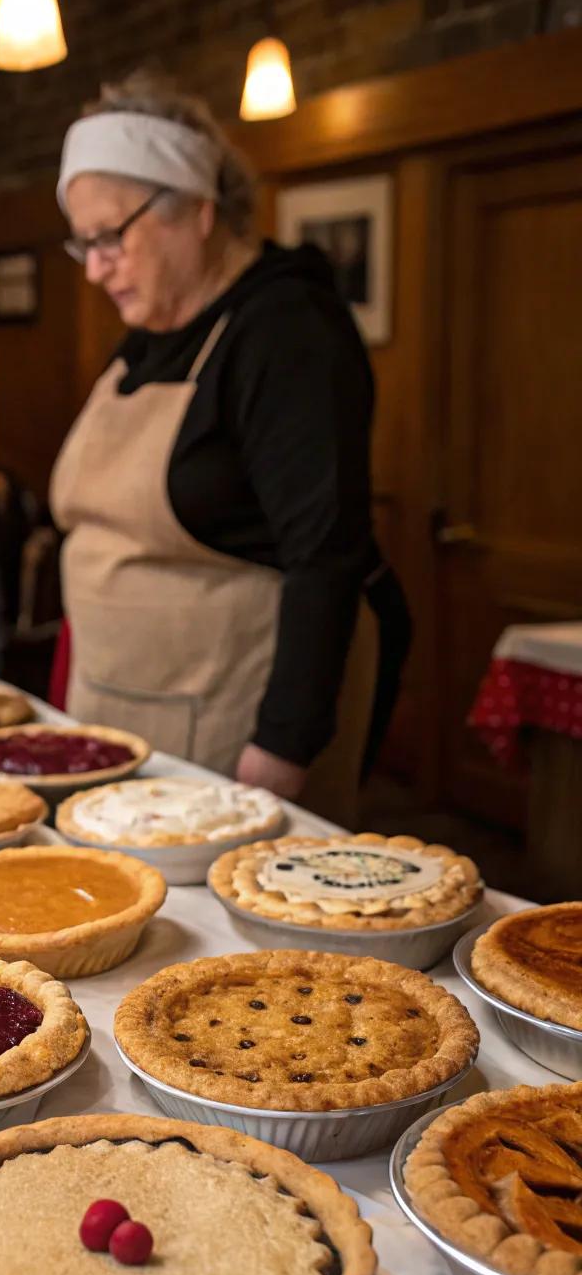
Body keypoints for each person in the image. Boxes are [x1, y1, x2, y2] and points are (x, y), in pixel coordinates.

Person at [49, 71, 411, 826]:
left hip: (229, 722)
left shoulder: (287, 330)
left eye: (110, 236)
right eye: (81, 243)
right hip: (122, 710)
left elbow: (326, 553)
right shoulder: (145, 340)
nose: (93, 267)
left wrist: (283, 747)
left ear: (197, 211)